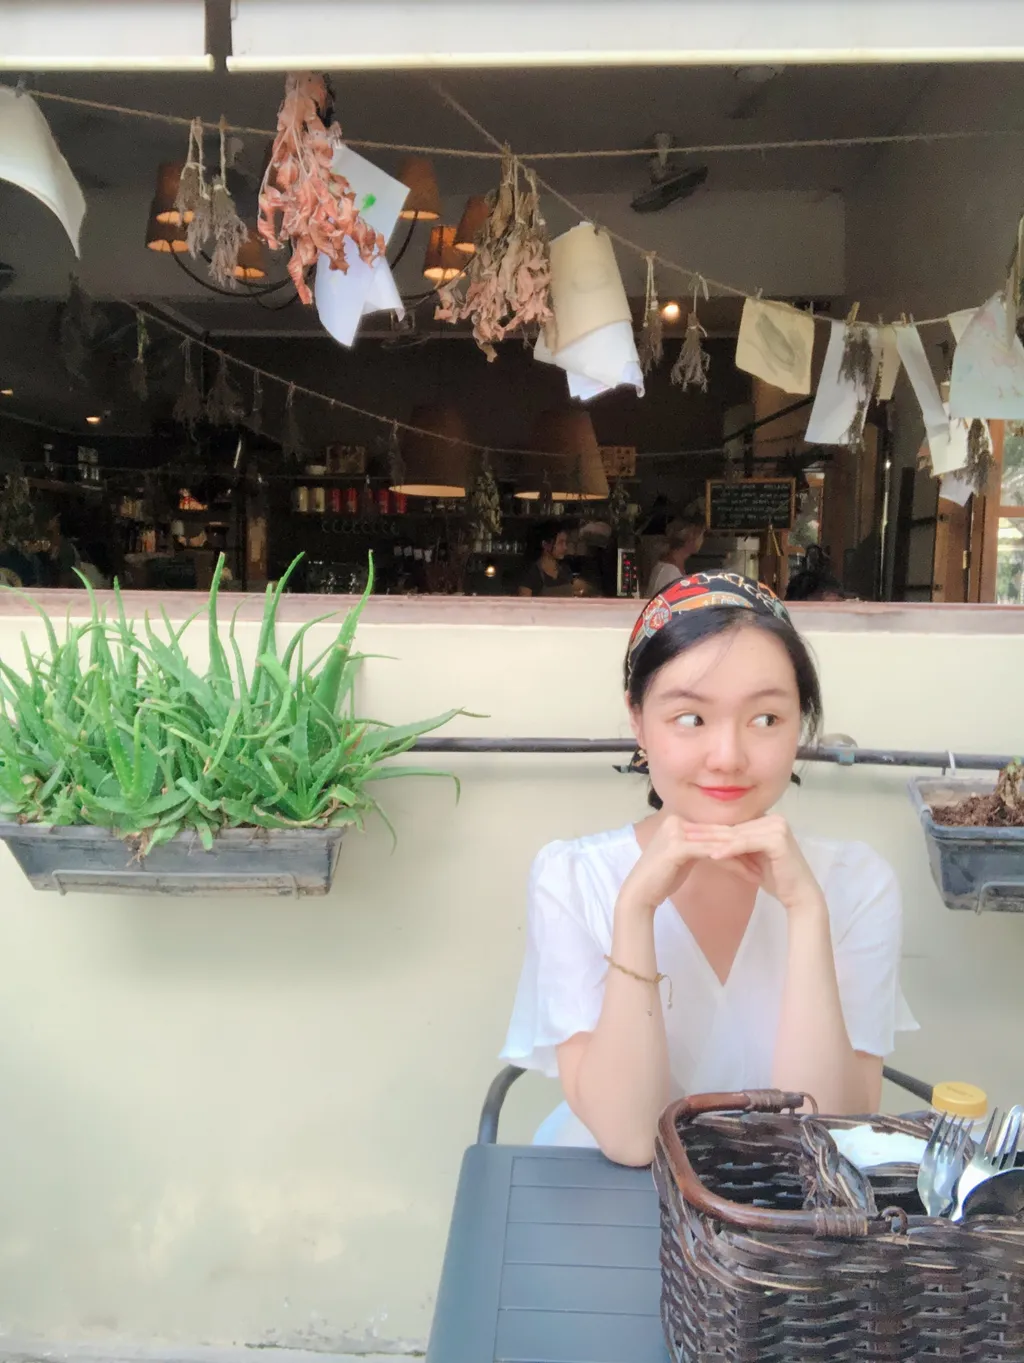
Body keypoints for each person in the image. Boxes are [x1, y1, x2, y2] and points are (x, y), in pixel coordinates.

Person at [500, 572, 916, 1165]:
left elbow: (822, 1137)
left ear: (800, 723)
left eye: (766, 719)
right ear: (638, 720)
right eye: (691, 719)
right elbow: (631, 1140)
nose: (727, 757)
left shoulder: (857, 883)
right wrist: (635, 910)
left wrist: (806, 911)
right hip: (606, 1198)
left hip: (782, 1205)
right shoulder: (571, 878)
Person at [518, 520, 585, 597]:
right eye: (560, 543)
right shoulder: (531, 574)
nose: (565, 547)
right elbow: (524, 601)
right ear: (545, 545)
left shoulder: (565, 570)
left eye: (565, 543)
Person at [644, 516, 706, 597]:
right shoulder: (668, 572)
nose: (702, 540)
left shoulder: (672, 567)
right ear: (690, 539)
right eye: (701, 535)